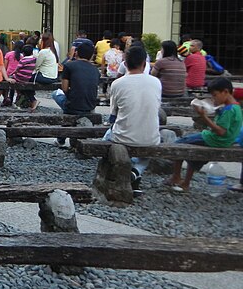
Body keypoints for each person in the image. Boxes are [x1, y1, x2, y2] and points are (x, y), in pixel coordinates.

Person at [166, 77, 242, 192]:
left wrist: (203, 116)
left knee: (179, 144)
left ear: (225, 92)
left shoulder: (229, 110)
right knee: (194, 156)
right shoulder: (236, 107)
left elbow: (221, 131)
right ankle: (185, 184)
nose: (213, 98)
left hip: (214, 139)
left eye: (215, 95)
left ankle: (176, 177)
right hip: (225, 140)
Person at [105, 45, 162, 193]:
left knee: (107, 136)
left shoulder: (117, 84)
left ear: (124, 63)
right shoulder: (156, 82)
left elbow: (113, 115)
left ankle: (128, 171)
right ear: (144, 63)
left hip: (123, 137)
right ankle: (136, 171)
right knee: (149, 147)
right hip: (151, 138)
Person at [52, 42, 100, 145]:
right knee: (72, 103)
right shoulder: (96, 70)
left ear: (76, 53)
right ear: (92, 55)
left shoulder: (69, 66)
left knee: (56, 94)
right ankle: (62, 137)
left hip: (73, 104)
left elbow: (64, 88)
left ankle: (61, 139)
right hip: (90, 105)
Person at [12, 45, 38, 109]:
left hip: (21, 77)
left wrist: (12, 74)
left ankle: (19, 100)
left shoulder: (22, 60)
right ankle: (24, 101)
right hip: (28, 77)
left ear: (23, 53)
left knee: (12, 78)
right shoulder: (34, 59)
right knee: (25, 89)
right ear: (32, 52)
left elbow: (17, 69)